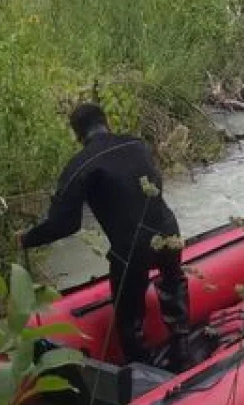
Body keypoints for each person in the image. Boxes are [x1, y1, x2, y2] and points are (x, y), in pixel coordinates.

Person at [20, 103, 190, 368]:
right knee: (172, 281)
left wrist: (28, 239)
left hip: (131, 247)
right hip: (169, 231)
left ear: (77, 134)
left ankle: (141, 369)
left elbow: (65, 224)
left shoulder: (81, 164)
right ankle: (182, 346)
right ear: (107, 121)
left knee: (128, 315)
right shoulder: (137, 144)